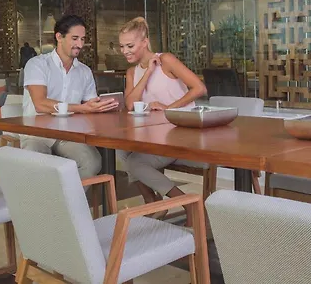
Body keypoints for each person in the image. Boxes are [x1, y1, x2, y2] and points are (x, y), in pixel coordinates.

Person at [118, 17, 206, 223]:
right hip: (155, 137)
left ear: (145, 42)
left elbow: (199, 88)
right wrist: (147, 72)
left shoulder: (166, 60)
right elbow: (130, 104)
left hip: (181, 134)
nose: (125, 51)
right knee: (120, 149)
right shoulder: (132, 72)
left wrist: (169, 108)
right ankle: (152, 201)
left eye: (130, 46)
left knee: (134, 162)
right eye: (122, 46)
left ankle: (186, 203)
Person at [22, 14, 119, 179]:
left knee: (92, 162)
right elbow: (40, 104)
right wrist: (82, 108)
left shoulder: (85, 71)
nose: (80, 44)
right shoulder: (37, 64)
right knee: (36, 168)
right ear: (59, 37)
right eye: (75, 38)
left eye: (82, 39)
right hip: (36, 133)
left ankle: (62, 195)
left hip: (68, 135)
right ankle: (53, 194)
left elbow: (90, 106)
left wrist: (102, 106)